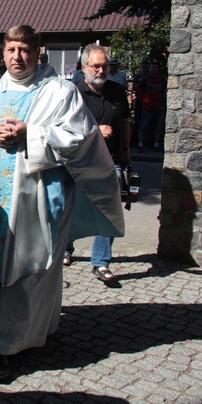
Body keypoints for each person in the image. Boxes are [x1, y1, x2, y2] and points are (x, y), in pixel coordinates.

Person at [0, 25, 124, 382]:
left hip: (38, 196)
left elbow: (80, 136)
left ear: (38, 52)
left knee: (28, 267)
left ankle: (7, 343)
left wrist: (30, 133)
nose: (18, 57)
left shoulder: (60, 92)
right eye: (12, 50)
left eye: (25, 50)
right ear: (4, 53)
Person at [64, 45, 130, 285]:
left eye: (105, 66)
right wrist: (95, 132)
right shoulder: (74, 93)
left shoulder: (117, 91)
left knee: (108, 210)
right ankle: (65, 248)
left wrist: (126, 152)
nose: (102, 70)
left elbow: (124, 122)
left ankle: (101, 262)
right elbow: (64, 129)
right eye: (96, 66)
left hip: (111, 160)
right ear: (84, 68)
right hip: (79, 161)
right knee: (69, 207)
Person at [136, 62, 166, 152]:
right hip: (147, 106)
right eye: (152, 67)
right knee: (143, 125)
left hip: (159, 106)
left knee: (157, 126)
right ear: (149, 69)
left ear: (157, 69)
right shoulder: (145, 79)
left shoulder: (162, 79)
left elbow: (164, 91)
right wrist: (143, 102)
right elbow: (139, 91)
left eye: (155, 67)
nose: (153, 69)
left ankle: (156, 144)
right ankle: (140, 144)